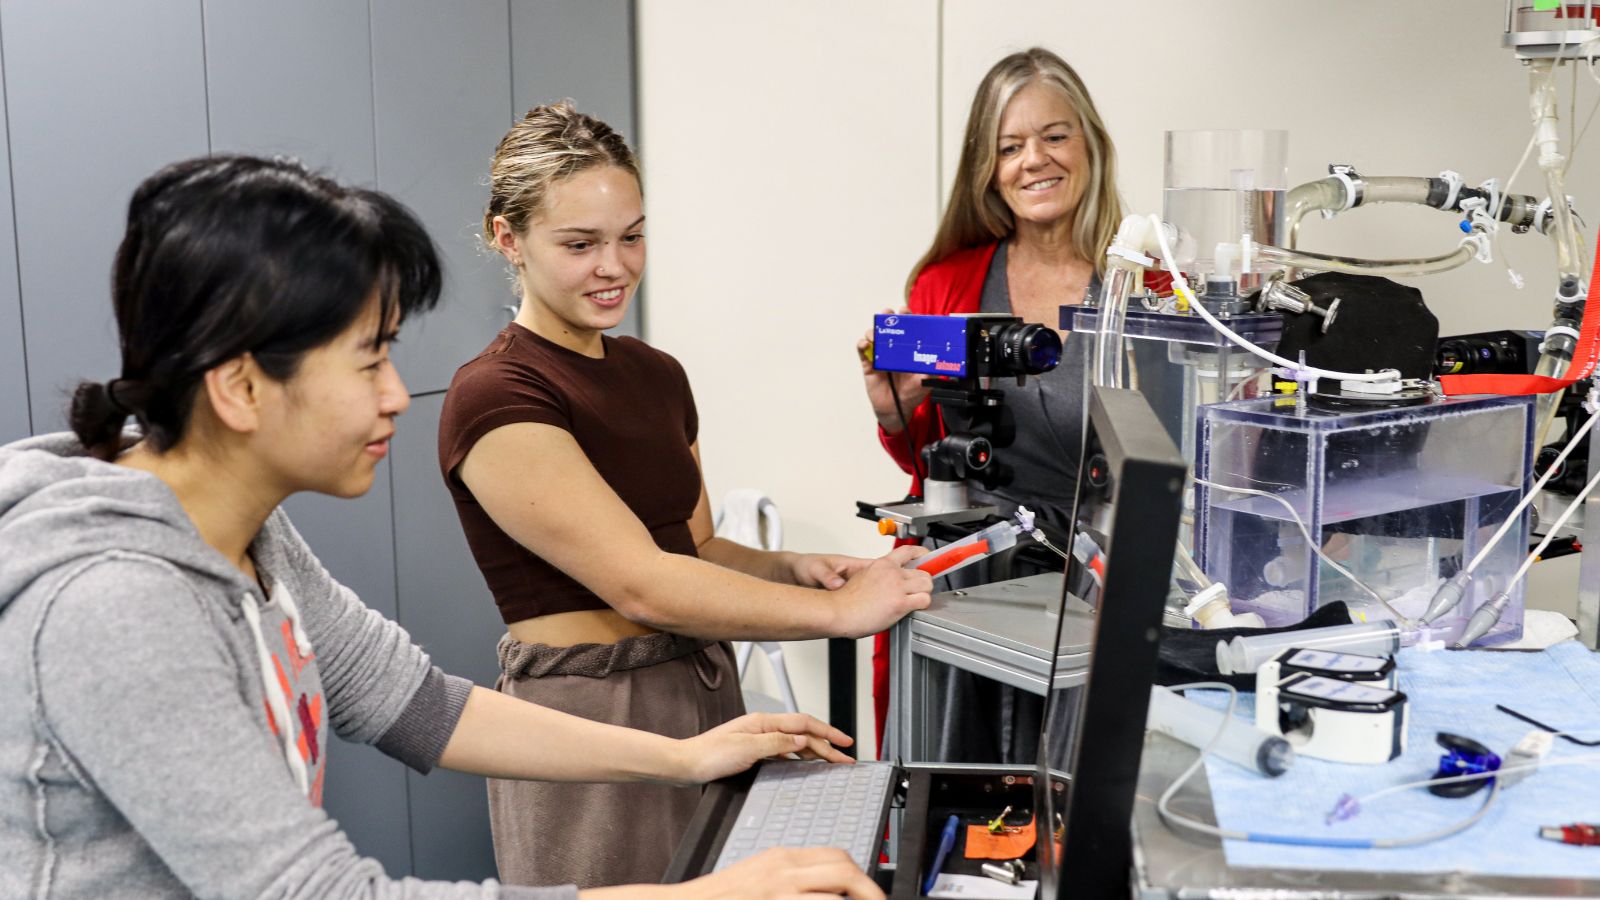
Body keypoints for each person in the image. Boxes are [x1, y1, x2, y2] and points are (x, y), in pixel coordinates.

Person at [0, 154, 885, 900]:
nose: (395, 395)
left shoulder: (253, 538)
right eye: (369, 357)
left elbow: (416, 703)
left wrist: (681, 759)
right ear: (239, 387)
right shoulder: (115, 603)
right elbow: (318, 894)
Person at [438, 102, 931, 889]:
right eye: (580, 244)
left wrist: (799, 568)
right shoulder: (497, 393)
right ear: (508, 238)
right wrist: (839, 618)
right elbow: (643, 583)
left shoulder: (656, 374)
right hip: (592, 718)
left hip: (703, 688)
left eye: (631, 236)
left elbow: (695, 550)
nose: (615, 266)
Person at [855, 48, 1172, 760]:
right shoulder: (947, 284)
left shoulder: (1150, 290)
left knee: (1085, 786)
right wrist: (892, 409)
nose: (1034, 160)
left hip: (1100, 582)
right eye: (1010, 146)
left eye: (1054, 136)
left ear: (1089, 144)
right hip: (973, 581)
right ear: (988, 169)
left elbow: (1179, 445)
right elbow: (929, 458)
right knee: (958, 787)